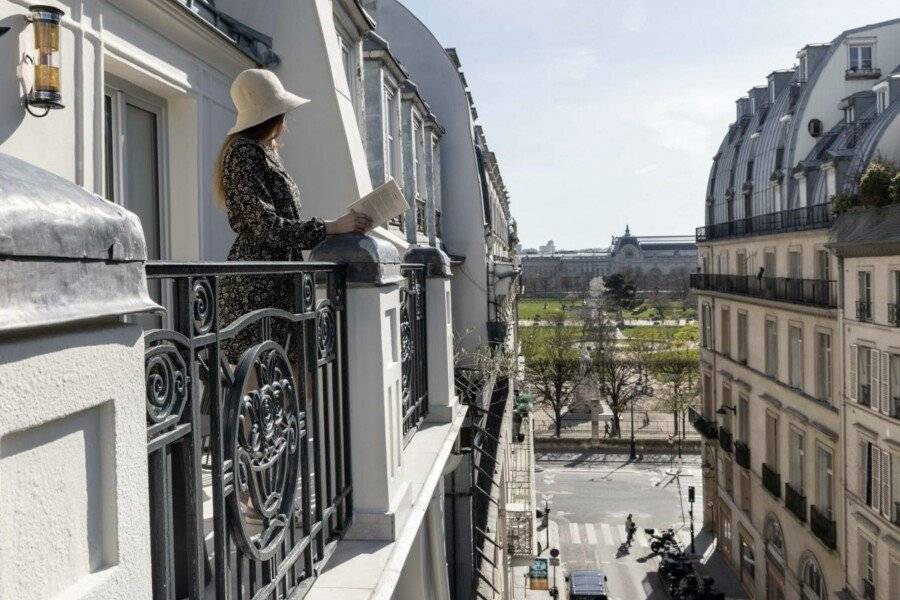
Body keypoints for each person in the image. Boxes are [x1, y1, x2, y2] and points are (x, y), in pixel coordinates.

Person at [216, 69, 372, 362]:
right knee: (262, 389)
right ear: (271, 116)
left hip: (277, 278)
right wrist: (331, 227)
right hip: (256, 283)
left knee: (284, 387)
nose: (285, 124)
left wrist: (332, 228)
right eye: (282, 114)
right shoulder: (244, 153)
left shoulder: (261, 152)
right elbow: (267, 226)